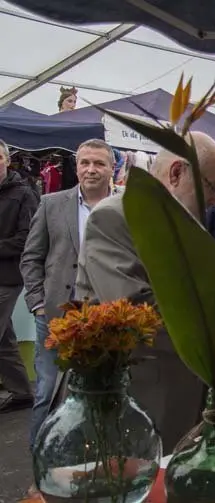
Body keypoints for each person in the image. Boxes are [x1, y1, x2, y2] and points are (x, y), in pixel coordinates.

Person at [73, 132, 215, 452]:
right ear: (176, 173)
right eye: (212, 187)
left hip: (181, 388)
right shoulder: (114, 217)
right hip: (140, 392)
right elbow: (131, 309)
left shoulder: (188, 226)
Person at [20, 139, 113, 448]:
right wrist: (37, 304)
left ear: (112, 168)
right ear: (76, 167)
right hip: (54, 318)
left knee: (98, 394)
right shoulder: (52, 204)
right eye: (85, 162)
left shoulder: (125, 208)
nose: (91, 169)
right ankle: (40, 469)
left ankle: (88, 465)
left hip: (103, 319)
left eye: (99, 163)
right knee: (47, 395)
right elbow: (31, 257)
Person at [0, 139, 37, 413]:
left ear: (6, 160)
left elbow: (28, 238)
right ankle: (22, 392)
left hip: (7, 277)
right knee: (4, 340)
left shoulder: (24, 193)